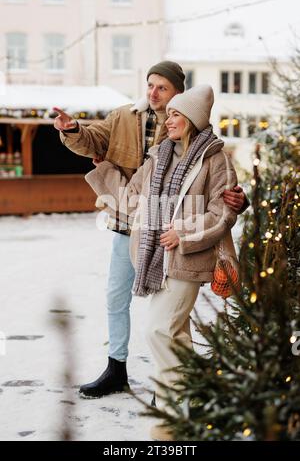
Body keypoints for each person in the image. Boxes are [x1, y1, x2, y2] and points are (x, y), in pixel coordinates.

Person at [53, 61, 248, 399]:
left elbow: (220, 196)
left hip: (178, 239)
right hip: (135, 227)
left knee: (167, 320)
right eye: (150, 85)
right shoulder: (128, 120)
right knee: (124, 300)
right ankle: (123, 371)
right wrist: (73, 131)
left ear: (180, 99)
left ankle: (174, 385)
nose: (153, 93)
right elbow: (94, 141)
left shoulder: (203, 145)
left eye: (162, 88)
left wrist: (235, 201)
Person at [85, 84, 239, 441]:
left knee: (157, 329)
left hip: (189, 259)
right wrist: (103, 171)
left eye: (175, 114)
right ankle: (197, 395)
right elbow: (130, 200)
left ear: (192, 119)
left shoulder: (215, 159)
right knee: (176, 336)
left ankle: (168, 421)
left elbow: (223, 212)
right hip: (156, 260)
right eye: (167, 114)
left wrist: (183, 235)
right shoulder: (157, 157)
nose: (168, 120)